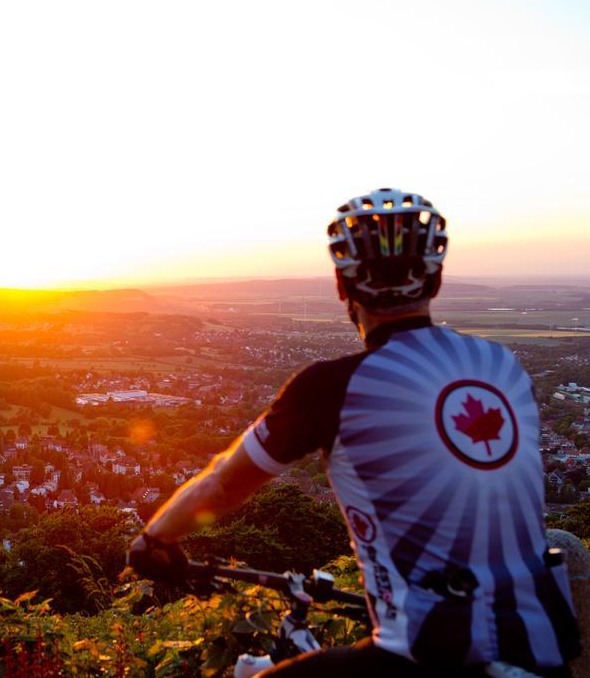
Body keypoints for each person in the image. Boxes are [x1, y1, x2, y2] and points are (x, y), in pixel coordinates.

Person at [128, 188, 580, 676]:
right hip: (541, 645)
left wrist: (153, 540)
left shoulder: (334, 387)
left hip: (427, 653)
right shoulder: (504, 368)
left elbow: (223, 484)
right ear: (438, 279)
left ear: (343, 289)